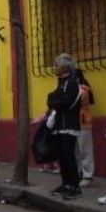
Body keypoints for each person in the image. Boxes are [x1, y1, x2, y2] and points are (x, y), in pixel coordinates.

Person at [45, 54, 82, 200]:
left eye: (56, 65)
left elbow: (66, 102)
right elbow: (51, 99)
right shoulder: (60, 83)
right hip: (59, 125)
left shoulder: (71, 83)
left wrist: (54, 100)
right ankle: (66, 184)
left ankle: (74, 186)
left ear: (64, 67)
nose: (54, 67)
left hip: (69, 125)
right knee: (61, 156)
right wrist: (54, 100)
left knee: (69, 156)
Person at [74, 69, 95, 188]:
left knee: (85, 150)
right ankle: (80, 174)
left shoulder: (83, 90)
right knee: (77, 151)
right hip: (76, 123)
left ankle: (88, 176)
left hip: (83, 123)